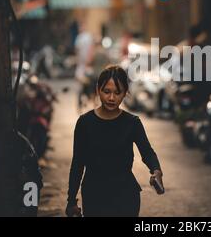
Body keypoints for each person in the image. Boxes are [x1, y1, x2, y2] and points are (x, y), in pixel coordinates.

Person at [66, 65, 164, 217]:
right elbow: (78, 163)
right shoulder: (84, 123)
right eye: (107, 92)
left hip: (126, 196)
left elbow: (147, 152)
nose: (111, 98)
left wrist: (156, 171)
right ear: (98, 90)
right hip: (94, 196)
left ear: (125, 93)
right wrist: (71, 200)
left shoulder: (132, 122)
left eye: (117, 93)